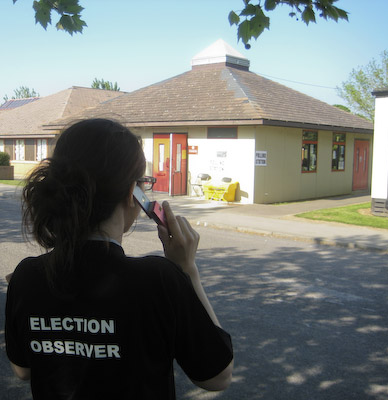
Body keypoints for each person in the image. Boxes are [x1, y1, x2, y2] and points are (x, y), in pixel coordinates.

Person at [5, 119, 233, 399]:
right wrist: (188, 270)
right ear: (131, 193)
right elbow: (217, 376)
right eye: (143, 183)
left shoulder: (27, 276)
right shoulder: (158, 280)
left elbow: (23, 370)